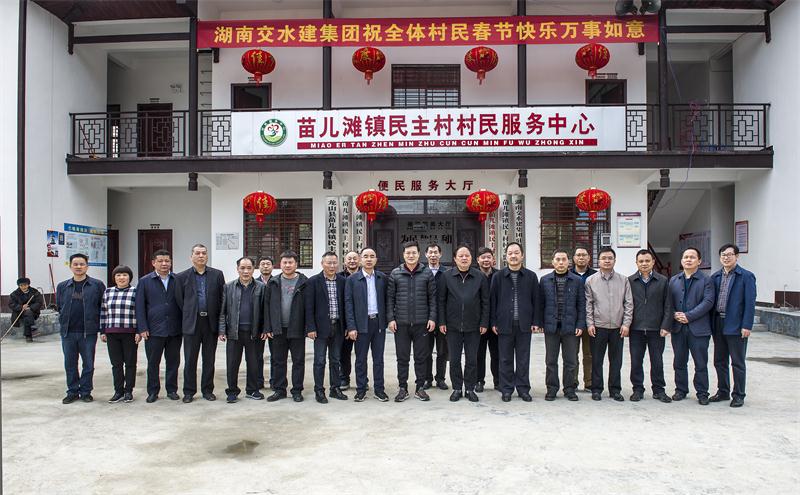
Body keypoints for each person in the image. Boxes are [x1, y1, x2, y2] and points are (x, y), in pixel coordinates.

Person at [387, 241, 437, 402]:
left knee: (421, 357)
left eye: (414, 252)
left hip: (422, 323)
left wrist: (432, 318)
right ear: (403, 255)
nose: (411, 255)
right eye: (408, 253)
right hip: (401, 324)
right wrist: (390, 319)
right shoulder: (395, 273)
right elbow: (390, 299)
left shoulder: (427, 273)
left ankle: (420, 388)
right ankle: (402, 388)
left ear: (419, 254)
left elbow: (433, 298)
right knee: (402, 358)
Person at [438, 245, 489, 402]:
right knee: (454, 359)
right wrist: (442, 321)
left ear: (471, 258)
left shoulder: (479, 277)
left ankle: (470, 389)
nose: (464, 258)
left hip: (474, 326)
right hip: (452, 326)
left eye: (467, 255)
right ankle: (457, 388)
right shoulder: (446, 276)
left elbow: (485, 302)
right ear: (455, 259)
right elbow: (441, 301)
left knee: (472, 359)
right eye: (461, 256)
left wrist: (484, 322)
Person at [489, 242, 539, 402]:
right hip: (504, 324)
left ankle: (523, 389)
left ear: (522, 255)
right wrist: (493, 322)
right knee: (505, 359)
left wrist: (536, 321)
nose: (513, 256)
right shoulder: (498, 277)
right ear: (506, 256)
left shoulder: (531, 276)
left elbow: (537, 300)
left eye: (516, 252)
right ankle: (506, 389)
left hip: (524, 324)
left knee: (523, 359)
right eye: (510, 253)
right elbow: (492, 301)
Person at [175, 244, 225, 403]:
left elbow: (221, 299)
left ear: (207, 256)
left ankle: (207, 390)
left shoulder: (217, 275)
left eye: (204, 253)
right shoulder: (181, 277)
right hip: (192, 323)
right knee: (190, 359)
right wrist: (190, 314)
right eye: (197, 253)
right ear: (191, 257)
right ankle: (189, 391)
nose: (201, 256)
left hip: (210, 323)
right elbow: (180, 301)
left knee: (209, 359)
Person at [536, 249, 586, 402]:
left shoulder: (577, 280)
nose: (561, 262)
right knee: (551, 361)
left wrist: (580, 324)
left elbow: (581, 304)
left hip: (570, 327)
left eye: (564, 259)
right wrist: (540, 323)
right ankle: (552, 389)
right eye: (557, 259)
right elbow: (540, 304)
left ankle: (569, 389)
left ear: (568, 262)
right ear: (553, 262)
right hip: (551, 327)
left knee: (570, 361)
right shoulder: (545, 280)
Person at [585, 247, 633, 402]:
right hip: (598, 327)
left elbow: (628, 303)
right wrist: (590, 323)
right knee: (596, 360)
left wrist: (626, 324)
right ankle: (596, 389)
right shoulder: (591, 280)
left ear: (614, 260)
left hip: (618, 328)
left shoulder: (623, 280)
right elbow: (589, 304)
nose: (607, 261)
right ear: (598, 261)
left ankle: (615, 390)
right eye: (604, 258)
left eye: (610, 258)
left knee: (616, 361)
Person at [710, 243, 756, 408]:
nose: (726, 257)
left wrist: (747, 325)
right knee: (719, 360)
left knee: (737, 362)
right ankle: (723, 391)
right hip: (718, 323)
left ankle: (738, 395)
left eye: (729, 254)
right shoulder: (715, 277)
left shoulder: (746, 276)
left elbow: (750, 303)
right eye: (723, 255)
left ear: (737, 256)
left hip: (736, 325)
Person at [56, 253, 105, 404]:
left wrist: (102, 329)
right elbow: (60, 306)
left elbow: (102, 308)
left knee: (88, 364)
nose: (79, 267)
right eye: (75, 264)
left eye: (82, 264)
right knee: (70, 364)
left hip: (88, 332)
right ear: (70, 266)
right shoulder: (63, 286)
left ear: (87, 266)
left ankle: (85, 392)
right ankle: (72, 392)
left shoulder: (97, 285)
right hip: (68, 332)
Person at [668, 247, 715, 405]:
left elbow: (708, 302)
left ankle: (702, 393)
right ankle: (680, 390)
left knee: (700, 363)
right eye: (686, 257)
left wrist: (689, 316)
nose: (688, 260)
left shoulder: (706, 280)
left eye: (692, 257)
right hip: (678, 328)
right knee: (679, 362)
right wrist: (674, 314)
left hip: (699, 329)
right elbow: (668, 302)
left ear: (699, 261)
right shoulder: (674, 280)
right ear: (681, 261)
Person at [135, 249, 182, 403]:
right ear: (153, 263)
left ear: (171, 262)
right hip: (153, 330)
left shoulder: (177, 279)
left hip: (175, 329)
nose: (164, 264)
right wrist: (142, 328)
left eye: (167, 261)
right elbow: (139, 306)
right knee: (153, 363)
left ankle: (172, 390)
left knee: (173, 362)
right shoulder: (145, 281)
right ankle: (153, 391)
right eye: (160, 261)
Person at [344, 247, 389, 403]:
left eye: (372, 256)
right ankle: (361, 390)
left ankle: (379, 389)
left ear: (376, 259)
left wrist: (388, 320)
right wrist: (351, 327)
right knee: (361, 359)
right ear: (360, 260)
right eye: (365, 256)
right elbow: (348, 304)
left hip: (378, 323)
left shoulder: (382, 278)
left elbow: (388, 301)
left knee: (379, 359)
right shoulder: (352, 280)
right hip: (361, 324)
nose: (369, 259)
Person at [218, 257, 266, 403]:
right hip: (234, 332)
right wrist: (222, 330)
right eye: (242, 268)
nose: (246, 271)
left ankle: (252, 390)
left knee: (253, 363)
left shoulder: (261, 287)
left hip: (254, 332)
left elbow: (265, 311)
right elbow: (222, 311)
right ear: (237, 269)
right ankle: (232, 391)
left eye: (249, 268)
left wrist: (265, 329)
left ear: (254, 269)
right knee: (232, 363)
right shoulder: (229, 287)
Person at [628, 250, 673, 403]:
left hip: (656, 329)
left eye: (647, 261)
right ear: (636, 263)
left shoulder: (663, 281)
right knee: (636, 361)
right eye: (641, 261)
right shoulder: (630, 281)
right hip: (636, 329)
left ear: (653, 262)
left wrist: (666, 325)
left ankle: (659, 390)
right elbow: (626, 305)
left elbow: (668, 305)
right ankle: (637, 389)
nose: (644, 264)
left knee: (657, 361)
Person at [305, 252, 348, 403]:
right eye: (328, 263)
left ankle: (335, 388)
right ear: (322, 264)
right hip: (320, 328)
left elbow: (346, 305)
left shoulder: (343, 281)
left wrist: (347, 326)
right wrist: (310, 327)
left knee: (335, 360)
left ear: (338, 264)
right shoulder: (313, 281)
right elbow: (309, 307)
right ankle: (319, 390)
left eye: (334, 263)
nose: (332, 266)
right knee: (320, 360)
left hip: (338, 327)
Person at [266, 251, 309, 402]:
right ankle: (279, 390)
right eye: (285, 262)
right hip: (278, 328)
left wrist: (308, 327)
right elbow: (267, 306)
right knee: (278, 361)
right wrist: (268, 327)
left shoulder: (304, 282)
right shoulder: (273, 282)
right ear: (280, 264)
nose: (288, 265)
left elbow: (309, 306)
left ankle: (297, 390)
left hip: (297, 328)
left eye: (291, 262)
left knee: (298, 361)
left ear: (296, 264)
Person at [100, 265, 139, 403]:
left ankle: (128, 391)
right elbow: (103, 312)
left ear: (130, 277)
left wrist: (139, 331)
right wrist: (103, 331)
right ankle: (118, 391)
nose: (121, 278)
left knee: (130, 363)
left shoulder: (135, 291)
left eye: (125, 275)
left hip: (130, 332)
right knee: (116, 364)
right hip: (112, 333)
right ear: (114, 278)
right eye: (118, 275)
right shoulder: (108, 292)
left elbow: (140, 312)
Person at [571, 246, 597, 391]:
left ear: (589, 258)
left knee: (589, 354)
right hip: (573, 321)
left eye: (584, 255)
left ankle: (589, 382)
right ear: (574, 258)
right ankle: (572, 382)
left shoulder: (595, 276)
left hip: (591, 321)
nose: (581, 258)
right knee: (572, 354)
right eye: (578, 255)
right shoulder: (568, 274)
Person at [423, 242, 448, 390]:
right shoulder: (421, 271)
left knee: (442, 351)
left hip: (442, 318)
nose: (433, 255)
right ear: (425, 255)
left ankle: (440, 378)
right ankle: (427, 379)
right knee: (426, 351)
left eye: (435, 252)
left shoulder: (447, 273)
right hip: (425, 318)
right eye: (430, 252)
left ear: (440, 254)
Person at [475, 247, 499, 392]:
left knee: (497, 354)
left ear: (493, 259)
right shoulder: (473, 275)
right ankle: (479, 381)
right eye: (483, 257)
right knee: (479, 354)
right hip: (478, 323)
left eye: (488, 257)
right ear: (478, 260)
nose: (486, 260)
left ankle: (498, 381)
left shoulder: (499, 275)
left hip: (496, 322)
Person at [338, 250, 360, 390]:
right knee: (344, 353)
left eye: (354, 258)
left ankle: (362, 379)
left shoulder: (365, 275)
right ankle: (344, 378)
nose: (352, 261)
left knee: (361, 354)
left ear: (359, 260)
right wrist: (347, 325)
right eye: (349, 259)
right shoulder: (339, 278)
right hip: (345, 323)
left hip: (362, 321)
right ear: (345, 262)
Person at [256, 256, 273, 390]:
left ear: (272, 266)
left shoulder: (277, 281)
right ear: (259, 267)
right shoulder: (253, 283)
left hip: (273, 325)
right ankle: (258, 381)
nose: (265, 266)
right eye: (263, 264)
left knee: (276, 356)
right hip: (258, 325)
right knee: (257, 355)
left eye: (268, 264)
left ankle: (274, 381)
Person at [9, 277, 43, 343]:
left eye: (25, 285)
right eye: (21, 285)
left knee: (28, 313)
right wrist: (21, 307)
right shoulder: (14, 294)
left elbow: (39, 302)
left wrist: (30, 307)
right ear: (19, 286)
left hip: (33, 311)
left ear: (28, 285)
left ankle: (29, 336)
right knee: (27, 314)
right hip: (19, 312)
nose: (23, 287)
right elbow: (11, 304)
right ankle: (30, 332)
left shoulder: (34, 292)